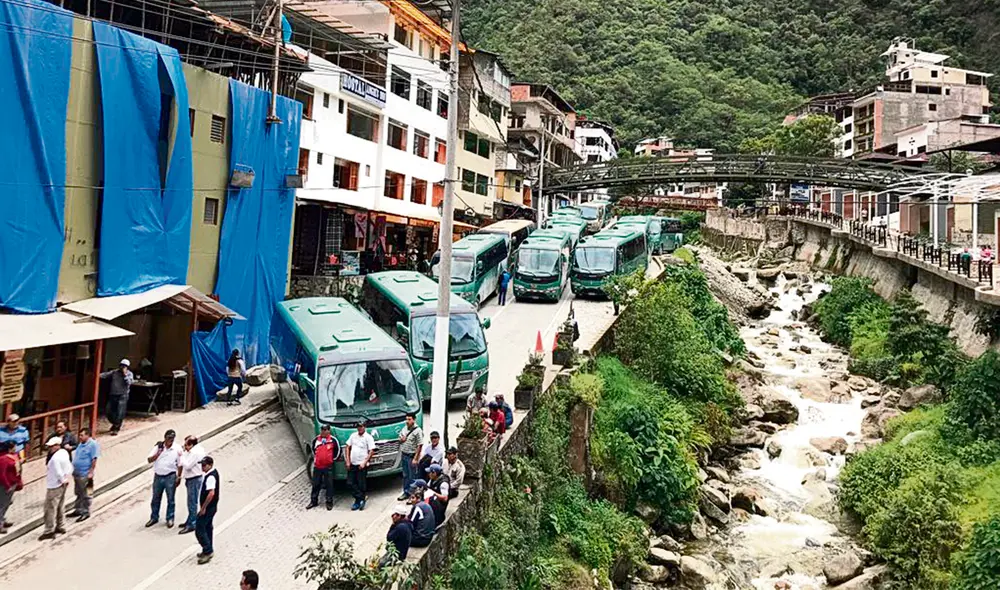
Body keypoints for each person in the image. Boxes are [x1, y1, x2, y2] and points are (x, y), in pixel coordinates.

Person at [146, 429, 182, 528]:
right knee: (155, 498)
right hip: (158, 476)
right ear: (165, 438)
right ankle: (154, 517)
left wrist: (179, 476)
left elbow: (180, 464)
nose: (171, 440)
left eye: (172, 438)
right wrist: (158, 453)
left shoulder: (177, 448)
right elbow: (149, 460)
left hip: (170, 476)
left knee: (171, 499)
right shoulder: (158, 447)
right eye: (169, 438)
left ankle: (170, 518)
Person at [39, 436, 72, 540]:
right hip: (63, 484)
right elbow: (69, 466)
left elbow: (58, 472)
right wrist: (66, 478)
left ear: (57, 446)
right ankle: (60, 525)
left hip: (54, 485)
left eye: (51, 446)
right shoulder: (64, 453)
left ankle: (49, 530)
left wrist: (62, 479)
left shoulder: (55, 458)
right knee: (60, 505)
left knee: (50, 508)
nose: (50, 448)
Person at [177, 435, 206, 534]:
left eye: (186, 445)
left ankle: (192, 524)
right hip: (191, 478)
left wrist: (181, 456)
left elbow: (188, 465)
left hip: (194, 478)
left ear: (191, 445)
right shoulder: (195, 450)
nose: (185, 447)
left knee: (192, 502)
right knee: (190, 501)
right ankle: (190, 520)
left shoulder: (195, 453)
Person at [68, 428, 98, 522]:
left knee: (87, 493)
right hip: (77, 472)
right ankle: (78, 509)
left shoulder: (93, 445)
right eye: (79, 435)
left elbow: (94, 459)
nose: (80, 437)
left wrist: (91, 471)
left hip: (86, 474)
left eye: (82, 435)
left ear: (87, 435)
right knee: (78, 492)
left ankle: (86, 511)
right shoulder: (81, 444)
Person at [346, 421, 376, 511]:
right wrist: (348, 461)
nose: (359, 428)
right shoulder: (353, 436)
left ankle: (358, 501)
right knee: (350, 483)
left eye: (361, 426)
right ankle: (361, 497)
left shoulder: (368, 437)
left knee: (361, 483)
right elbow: (347, 447)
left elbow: (371, 451)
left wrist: (364, 462)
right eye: (358, 427)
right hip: (353, 463)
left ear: (364, 427)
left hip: (361, 464)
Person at [195, 456, 220, 564]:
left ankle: (208, 550)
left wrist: (203, 508)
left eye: (204, 465)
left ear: (210, 465)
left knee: (199, 529)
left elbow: (211, 493)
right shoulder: (212, 474)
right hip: (212, 507)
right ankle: (208, 548)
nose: (202, 467)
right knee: (208, 527)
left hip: (208, 508)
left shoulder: (210, 477)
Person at [308, 425, 338, 510]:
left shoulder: (333, 440)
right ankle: (313, 501)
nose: (323, 432)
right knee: (316, 484)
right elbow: (313, 450)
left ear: (329, 431)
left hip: (328, 467)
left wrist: (331, 460)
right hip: (318, 467)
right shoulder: (316, 440)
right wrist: (317, 459)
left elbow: (337, 451)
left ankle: (329, 502)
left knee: (329, 485)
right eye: (322, 430)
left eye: (325, 430)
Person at [101, 359, 134, 435]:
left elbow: (129, 382)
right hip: (113, 394)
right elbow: (105, 375)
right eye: (121, 365)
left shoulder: (129, 374)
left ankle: (116, 427)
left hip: (123, 395)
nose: (122, 367)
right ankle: (115, 423)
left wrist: (125, 375)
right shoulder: (114, 372)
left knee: (120, 412)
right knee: (108, 411)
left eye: (124, 366)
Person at [397, 413, 423, 501]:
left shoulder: (417, 430)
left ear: (414, 420)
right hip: (404, 454)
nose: (407, 421)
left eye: (409, 419)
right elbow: (399, 440)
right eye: (406, 419)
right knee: (405, 475)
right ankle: (406, 492)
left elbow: (420, 445)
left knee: (412, 477)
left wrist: (416, 458)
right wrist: (401, 440)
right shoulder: (404, 428)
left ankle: (412, 495)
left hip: (411, 456)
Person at [0, 441, 21, 534]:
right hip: (5, 485)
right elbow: (2, 474)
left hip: (13, 483)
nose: (16, 448)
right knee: (2, 505)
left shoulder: (13, 456)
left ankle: (3, 520)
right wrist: (7, 485)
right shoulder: (3, 459)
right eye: (14, 447)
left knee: (7, 503)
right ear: (9, 448)